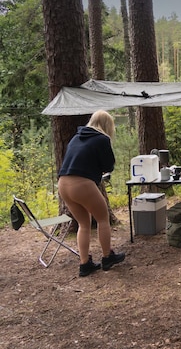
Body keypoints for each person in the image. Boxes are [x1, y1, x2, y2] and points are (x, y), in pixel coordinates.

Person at [58, 110, 125, 277]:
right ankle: (107, 257)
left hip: (63, 184)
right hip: (81, 184)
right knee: (103, 219)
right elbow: (108, 166)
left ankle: (84, 264)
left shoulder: (76, 137)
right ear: (107, 125)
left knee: (83, 223)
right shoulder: (102, 139)